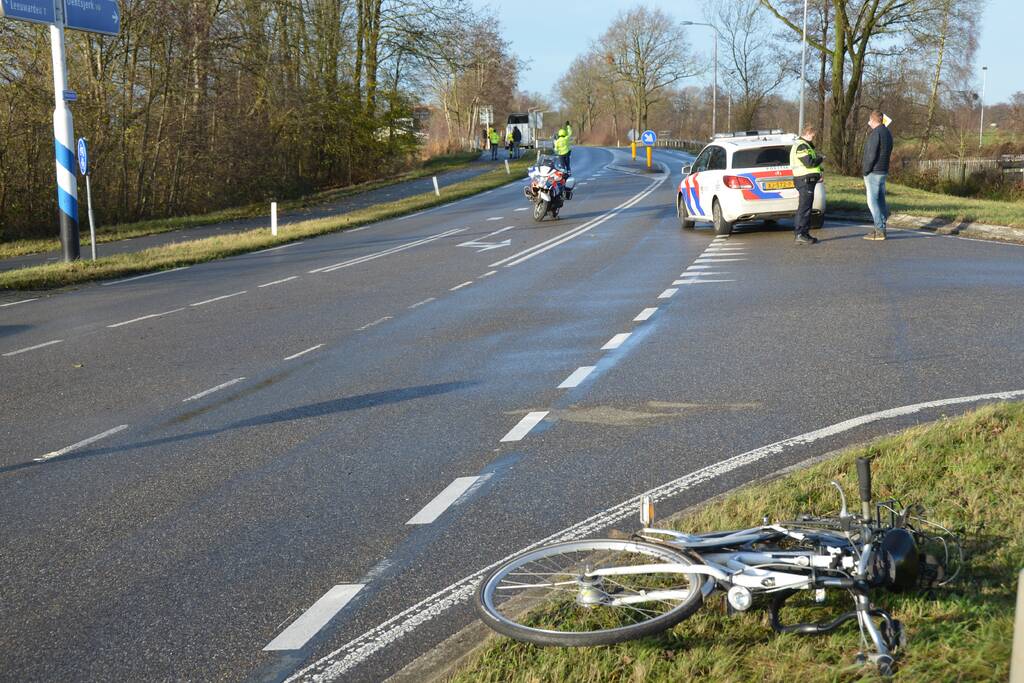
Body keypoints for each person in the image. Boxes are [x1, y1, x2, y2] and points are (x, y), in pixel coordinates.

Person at [789, 123, 824, 245]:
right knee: (804, 208)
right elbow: (809, 163)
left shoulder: (805, 145)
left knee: (806, 208)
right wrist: (820, 158)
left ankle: (804, 233)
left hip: (807, 180)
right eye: (813, 135)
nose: (813, 137)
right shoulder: (801, 146)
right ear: (808, 133)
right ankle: (800, 234)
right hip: (804, 181)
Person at [862, 110, 893, 241]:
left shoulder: (876, 133)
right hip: (883, 169)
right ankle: (881, 227)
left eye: (870, 121)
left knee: (872, 201)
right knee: (880, 200)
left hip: (873, 171)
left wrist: (865, 170)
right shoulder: (887, 132)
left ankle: (879, 229)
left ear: (872, 120)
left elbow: (871, 154)